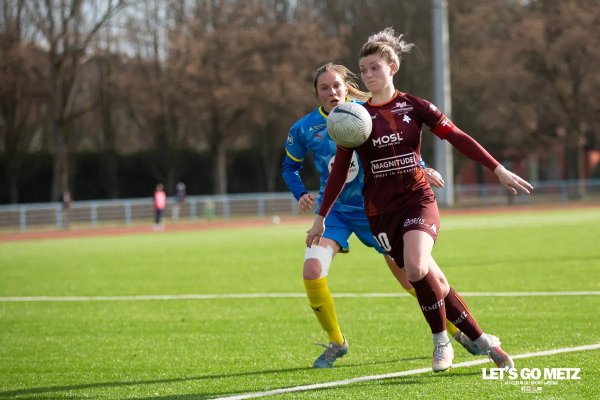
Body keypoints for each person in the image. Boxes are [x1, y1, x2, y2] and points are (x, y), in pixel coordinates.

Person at [306, 28, 533, 372]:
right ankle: (483, 340)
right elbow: (339, 170)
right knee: (434, 281)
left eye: (374, 68)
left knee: (415, 266)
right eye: (364, 69)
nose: (368, 75)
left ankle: (441, 342)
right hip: (381, 213)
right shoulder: (355, 118)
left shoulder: (416, 106)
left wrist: (497, 168)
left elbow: (457, 136)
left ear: (392, 68)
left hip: (417, 200)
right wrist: (321, 218)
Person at [283, 62, 480, 369]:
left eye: (337, 85)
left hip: (378, 209)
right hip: (334, 213)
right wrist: (300, 192)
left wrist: (423, 167)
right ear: (317, 93)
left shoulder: (368, 114)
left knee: (413, 279)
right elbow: (289, 166)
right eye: (325, 87)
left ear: (347, 86)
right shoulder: (304, 128)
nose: (332, 92)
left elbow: (401, 143)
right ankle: (336, 342)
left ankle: (455, 331)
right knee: (311, 271)